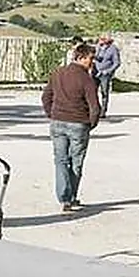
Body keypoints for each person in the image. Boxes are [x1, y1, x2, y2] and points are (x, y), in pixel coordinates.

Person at [41, 42, 102, 213]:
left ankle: (63, 196)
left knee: (60, 160)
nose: (92, 62)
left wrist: (51, 114)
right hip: (78, 123)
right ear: (80, 57)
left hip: (58, 121)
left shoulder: (58, 73)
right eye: (90, 58)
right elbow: (95, 107)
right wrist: (91, 124)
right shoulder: (86, 79)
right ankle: (71, 196)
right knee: (76, 162)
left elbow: (46, 97)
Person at [93, 34, 121, 116]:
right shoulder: (97, 47)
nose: (100, 40)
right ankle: (95, 109)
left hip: (105, 74)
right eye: (100, 39)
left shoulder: (113, 49)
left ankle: (103, 111)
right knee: (92, 91)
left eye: (103, 39)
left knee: (104, 92)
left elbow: (117, 63)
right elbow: (95, 57)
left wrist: (108, 71)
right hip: (95, 72)